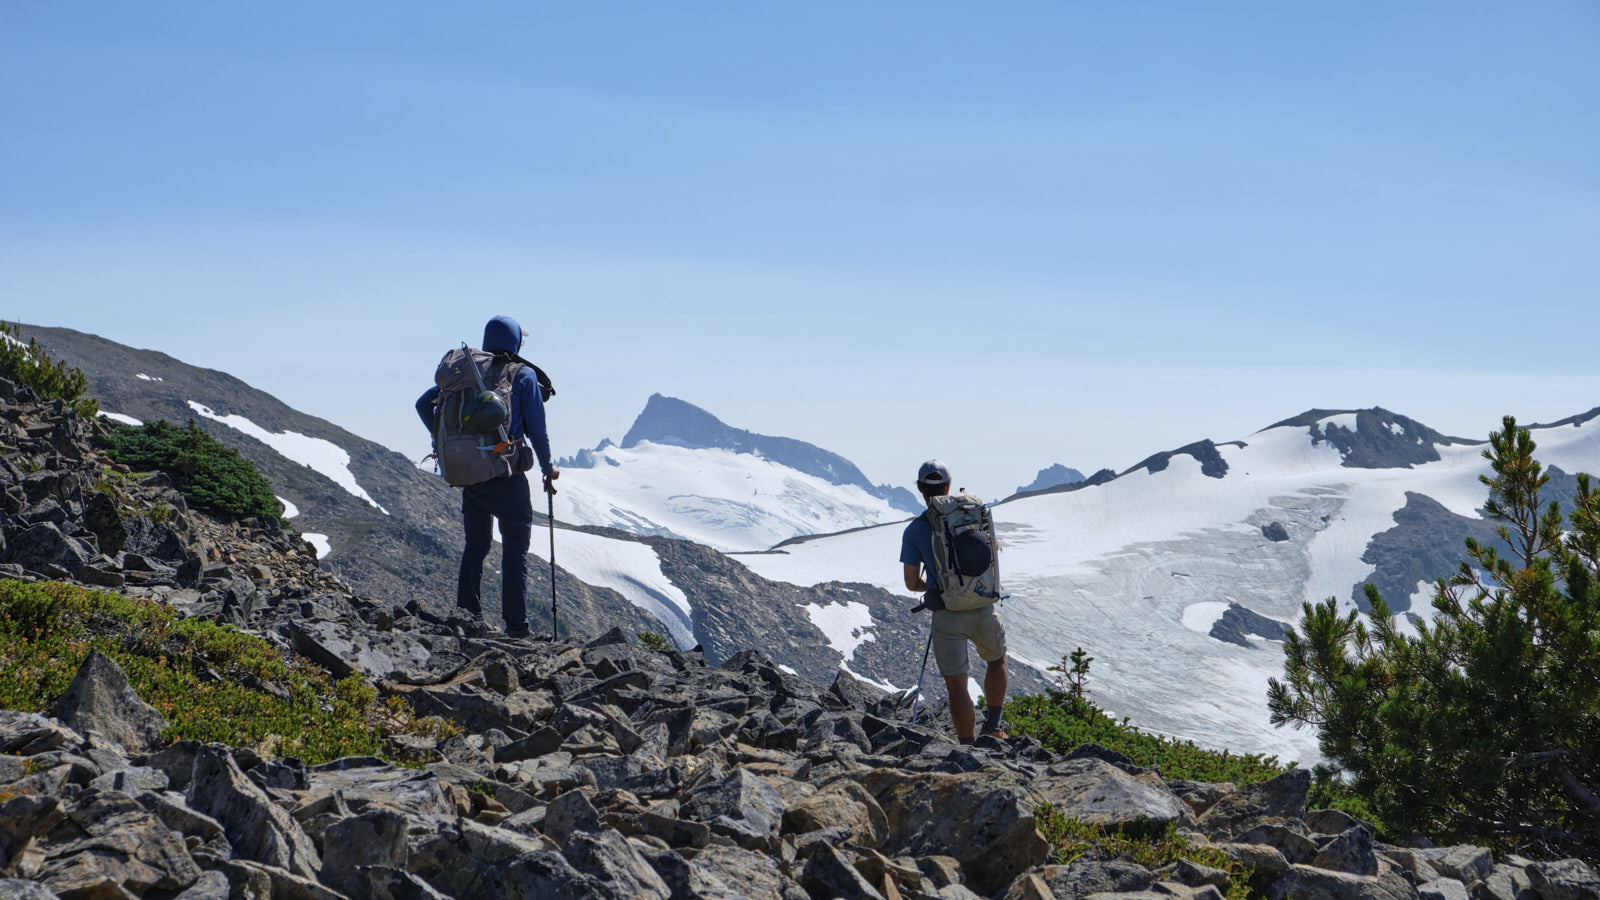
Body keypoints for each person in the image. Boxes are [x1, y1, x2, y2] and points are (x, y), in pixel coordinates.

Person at [416, 315, 558, 636]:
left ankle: (468, 616)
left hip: (471, 473)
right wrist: (548, 469)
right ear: (515, 343)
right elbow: (537, 430)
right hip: (506, 475)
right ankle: (516, 629)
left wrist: (448, 442)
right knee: (515, 551)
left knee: (475, 547)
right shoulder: (522, 376)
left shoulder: (466, 375)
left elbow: (424, 403)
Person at [900, 459, 1009, 743]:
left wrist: (936, 587)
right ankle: (995, 726)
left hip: (947, 613)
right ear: (949, 486)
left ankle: (968, 747)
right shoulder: (971, 515)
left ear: (920, 489)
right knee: (996, 661)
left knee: (957, 685)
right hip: (982, 605)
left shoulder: (915, 531)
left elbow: (912, 583)